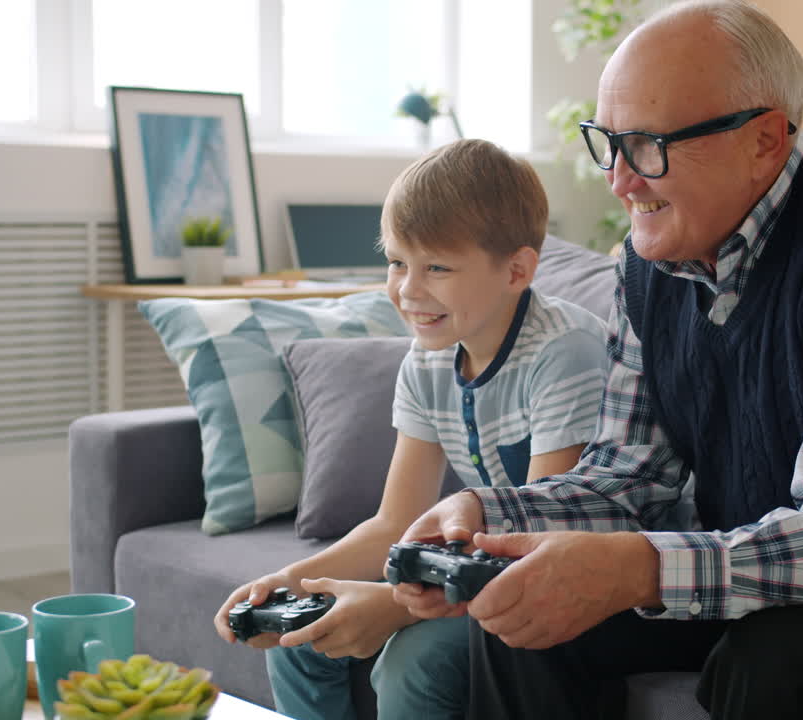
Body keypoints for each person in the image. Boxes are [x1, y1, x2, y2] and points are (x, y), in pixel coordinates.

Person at [391, 2, 803, 719]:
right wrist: (483, 515)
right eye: (608, 142)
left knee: (776, 661)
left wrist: (641, 569)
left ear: (765, 140)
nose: (619, 180)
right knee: (527, 611)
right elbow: (629, 479)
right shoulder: (650, 263)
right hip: (783, 568)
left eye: (647, 145)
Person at [212, 138, 609, 720]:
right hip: (487, 566)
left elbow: (541, 541)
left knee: (412, 659)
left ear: (517, 270)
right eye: (397, 262)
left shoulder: (564, 353)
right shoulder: (426, 363)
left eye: (437, 268)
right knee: (299, 635)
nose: (407, 289)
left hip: (573, 576)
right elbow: (396, 523)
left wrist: (392, 607)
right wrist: (291, 579)